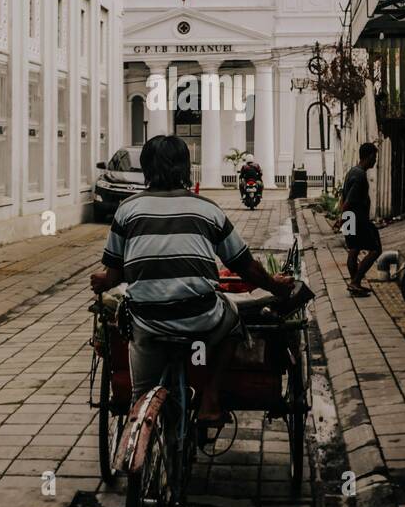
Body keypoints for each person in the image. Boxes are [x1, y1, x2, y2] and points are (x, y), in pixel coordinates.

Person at [90, 135, 293, 424]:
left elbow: (113, 273)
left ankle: (137, 422)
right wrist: (274, 285)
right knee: (233, 319)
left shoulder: (126, 211)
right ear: (186, 168)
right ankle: (210, 399)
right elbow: (244, 266)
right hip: (200, 316)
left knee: (140, 394)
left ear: (146, 169)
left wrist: (103, 280)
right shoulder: (207, 209)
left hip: (147, 319)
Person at [336, 141, 381, 297]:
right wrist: (342, 217)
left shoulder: (352, 172)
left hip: (349, 217)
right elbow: (349, 200)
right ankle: (355, 281)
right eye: (374, 157)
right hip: (356, 218)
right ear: (368, 157)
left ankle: (355, 284)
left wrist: (341, 216)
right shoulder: (359, 175)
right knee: (375, 249)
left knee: (353, 250)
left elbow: (343, 197)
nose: (375, 160)